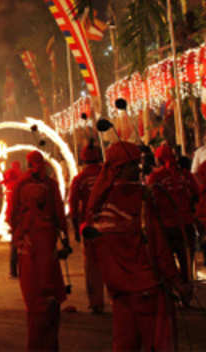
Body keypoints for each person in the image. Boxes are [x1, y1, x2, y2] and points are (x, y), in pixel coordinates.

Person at [86, 141, 189, 352]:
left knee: (125, 345)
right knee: (158, 343)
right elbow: (158, 246)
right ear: (120, 168)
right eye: (134, 164)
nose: (139, 168)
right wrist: (177, 281)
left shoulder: (97, 202)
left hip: (119, 291)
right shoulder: (141, 199)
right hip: (146, 288)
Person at [10, 151, 68, 352]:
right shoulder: (50, 185)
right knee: (48, 305)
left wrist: (16, 235)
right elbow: (60, 212)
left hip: (28, 250)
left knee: (36, 308)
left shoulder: (20, 185)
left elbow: (12, 214)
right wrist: (65, 235)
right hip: (44, 250)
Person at [146, 143, 199, 286]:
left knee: (165, 262)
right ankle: (186, 290)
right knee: (186, 260)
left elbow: (149, 202)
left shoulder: (154, 177)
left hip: (165, 228)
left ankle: (174, 290)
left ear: (159, 159)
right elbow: (196, 194)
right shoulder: (185, 175)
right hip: (186, 225)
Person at [68, 143, 105, 313]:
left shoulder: (79, 179)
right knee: (112, 262)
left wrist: (76, 230)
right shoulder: (108, 175)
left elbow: (73, 207)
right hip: (110, 225)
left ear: (83, 159)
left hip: (89, 226)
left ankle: (96, 303)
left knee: (92, 267)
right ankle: (120, 300)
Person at [3, 161, 22, 278]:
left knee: (15, 244)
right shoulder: (19, 184)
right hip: (20, 216)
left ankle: (13, 270)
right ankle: (18, 270)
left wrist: (8, 218)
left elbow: (11, 205)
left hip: (14, 217)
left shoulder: (11, 186)